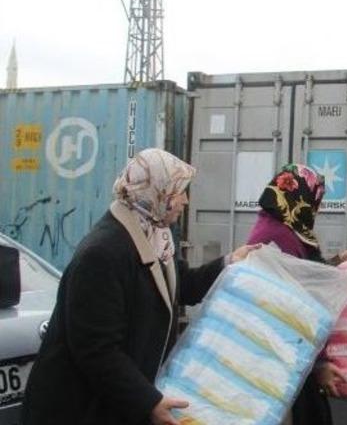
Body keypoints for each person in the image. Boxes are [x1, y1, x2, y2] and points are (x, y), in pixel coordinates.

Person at [23, 149, 259, 425]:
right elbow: (96, 349)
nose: (185, 200)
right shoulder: (103, 254)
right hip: (80, 409)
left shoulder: (156, 236)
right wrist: (148, 401)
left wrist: (229, 262)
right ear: (157, 192)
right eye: (179, 191)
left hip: (115, 403)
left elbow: (182, 287)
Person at [246, 163, 347, 425]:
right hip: (284, 352)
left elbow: (306, 273)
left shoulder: (285, 227)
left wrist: (340, 260)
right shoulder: (279, 235)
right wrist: (319, 363)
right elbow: (301, 301)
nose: (315, 207)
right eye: (314, 200)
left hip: (288, 350)